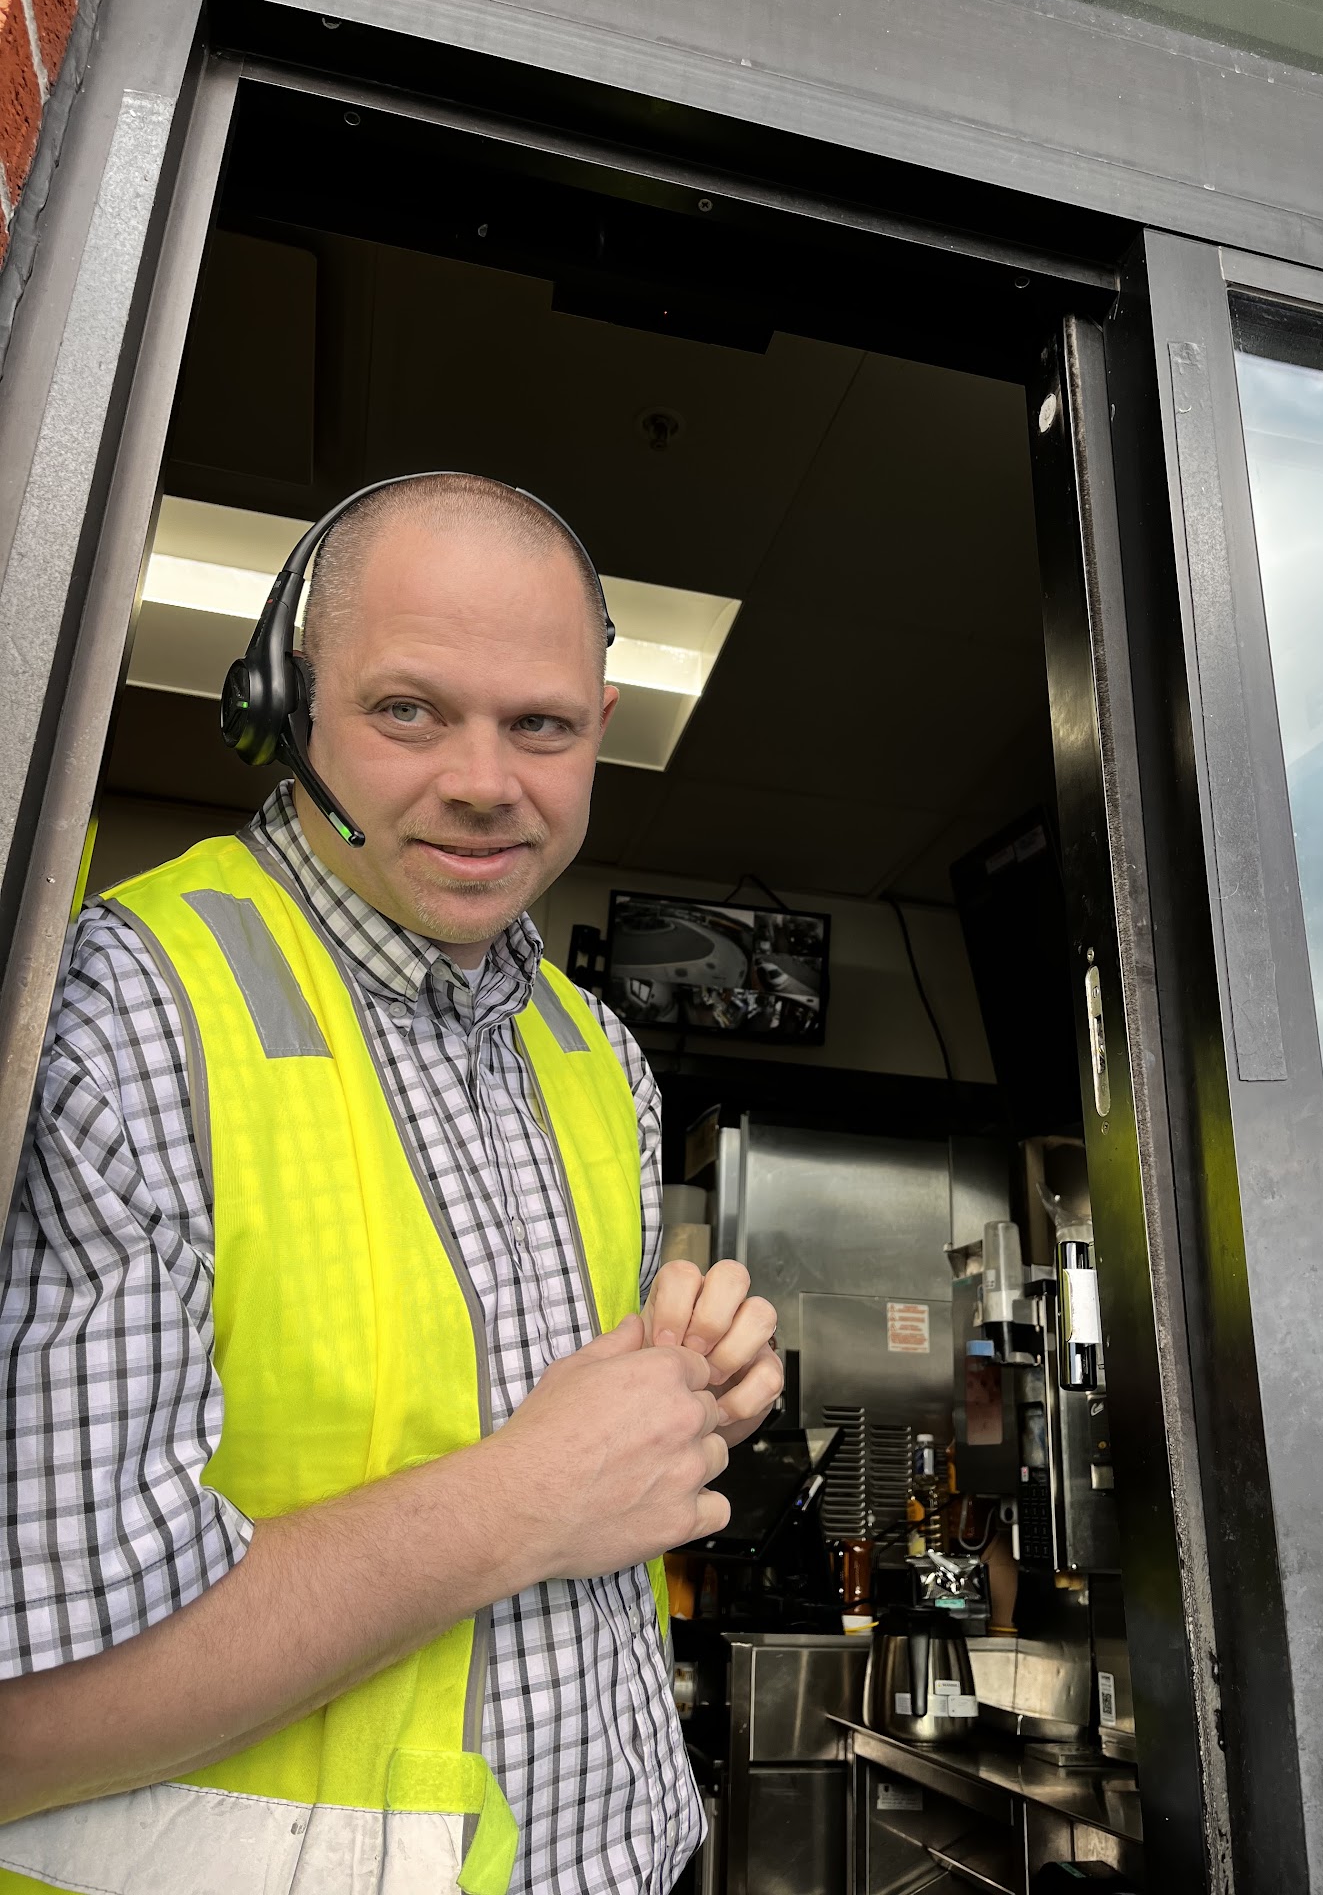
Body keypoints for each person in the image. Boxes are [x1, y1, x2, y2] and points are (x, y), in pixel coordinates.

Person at [0, 473, 784, 1895]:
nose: (485, 782)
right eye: (410, 711)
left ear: (601, 729)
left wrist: (688, 1393)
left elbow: (584, 1452)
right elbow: (24, 1724)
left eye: (541, 725)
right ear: (285, 706)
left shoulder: (596, 1050)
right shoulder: (121, 1013)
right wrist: (522, 1501)